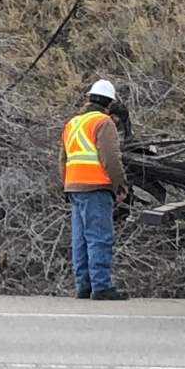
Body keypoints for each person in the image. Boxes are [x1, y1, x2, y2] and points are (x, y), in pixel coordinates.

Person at [59, 79, 129, 300]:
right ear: (109, 103)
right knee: (99, 236)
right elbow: (110, 158)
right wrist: (120, 185)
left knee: (80, 240)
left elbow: (62, 159)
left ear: (89, 98)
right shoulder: (103, 122)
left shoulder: (73, 123)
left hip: (74, 187)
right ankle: (101, 286)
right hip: (96, 187)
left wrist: (67, 184)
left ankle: (84, 286)